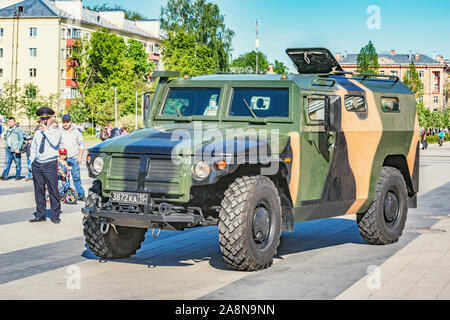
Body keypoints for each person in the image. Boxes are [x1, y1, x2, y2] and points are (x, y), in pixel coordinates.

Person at [29, 107, 62, 224]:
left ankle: (55, 215)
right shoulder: (38, 133)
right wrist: (32, 160)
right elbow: (33, 147)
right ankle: (40, 214)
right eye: (42, 119)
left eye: (47, 118)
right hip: (38, 164)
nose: (44, 121)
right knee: (39, 190)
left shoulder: (56, 131)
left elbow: (54, 142)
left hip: (50, 164)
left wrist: (46, 130)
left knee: (53, 189)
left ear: (51, 118)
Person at [60, 114, 85, 201]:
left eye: (67, 122)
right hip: (63, 159)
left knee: (76, 177)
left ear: (70, 122)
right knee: (63, 177)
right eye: (64, 122)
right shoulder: (60, 131)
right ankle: (65, 194)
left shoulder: (76, 131)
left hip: (74, 158)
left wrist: (80, 156)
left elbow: (81, 144)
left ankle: (80, 194)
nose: (65, 124)